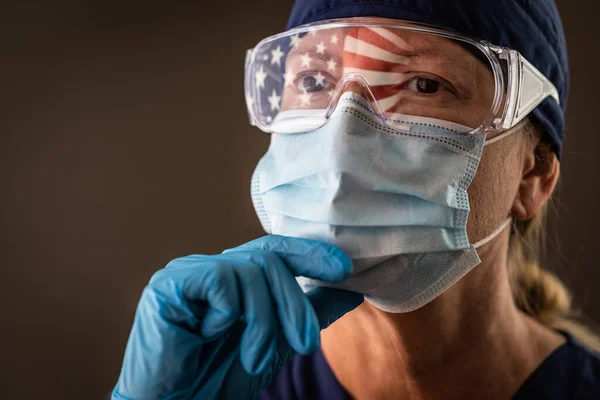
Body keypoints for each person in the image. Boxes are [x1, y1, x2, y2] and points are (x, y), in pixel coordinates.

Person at [111, 0, 600, 399]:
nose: (344, 133)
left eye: (424, 84)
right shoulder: (221, 378)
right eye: (314, 82)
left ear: (531, 175)